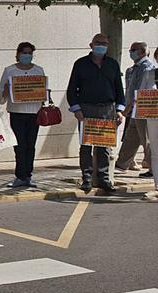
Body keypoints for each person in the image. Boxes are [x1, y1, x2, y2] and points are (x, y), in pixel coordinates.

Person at [66, 33, 126, 193]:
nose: (101, 45)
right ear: (91, 45)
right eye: (98, 42)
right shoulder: (80, 64)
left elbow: (119, 89)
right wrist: (76, 109)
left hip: (107, 109)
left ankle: (104, 179)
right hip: (86, 109)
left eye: (104, 43)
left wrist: (119, 110)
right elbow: (72, 89)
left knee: (104, 146)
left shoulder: (112, 64)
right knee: (86, 145)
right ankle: (86, 178)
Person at [0, 42, 46, 188]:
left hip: (34, 113)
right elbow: (0, 94)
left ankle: (28, 176)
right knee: (19, 146)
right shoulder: (10, 70)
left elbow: (42, 89)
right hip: (17, 113)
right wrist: (6, 90)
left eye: (29, 53)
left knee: (30, 146)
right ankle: (20, 176)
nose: (27, 55)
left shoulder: (38, 70)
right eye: (24, 53)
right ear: (18, 54)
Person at [116, 42, 155, 177]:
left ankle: (153, 168)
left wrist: (127, 108)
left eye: (134, 50)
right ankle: (122, 163)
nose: (131, 52)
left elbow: (140, 91)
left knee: (146, 139)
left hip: (143, 109)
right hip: (134, 109)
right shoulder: (134, 68)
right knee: (131, 137)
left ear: (143, 51)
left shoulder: (146, 67)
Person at [142, 47, 158, 201]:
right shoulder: (150, 74)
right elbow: (142, 93)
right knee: (156, 151)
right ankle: (157, 186)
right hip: (153, 116)